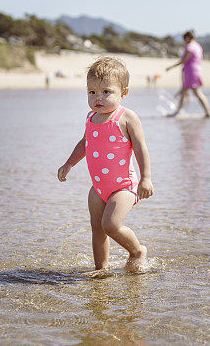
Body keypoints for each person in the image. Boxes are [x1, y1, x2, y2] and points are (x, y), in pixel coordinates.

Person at [57, 56, 154, 273]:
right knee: (97, 228)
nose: (98, 98)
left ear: (124, 92)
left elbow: (141, 148)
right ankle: (101, 269)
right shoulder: (91, 117)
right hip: (99, 187)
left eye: (106, 92)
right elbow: (85, 144)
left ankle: (137, 251)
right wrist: (69, 163)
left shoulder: (126, 117)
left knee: (110, 225)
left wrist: (146, 178)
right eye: (92, 92)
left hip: (124, 186)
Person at [166, 30, 210, 118]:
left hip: (190, 71)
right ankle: (178, 112)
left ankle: (207, 112)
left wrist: (171, 67)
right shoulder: (198, 46)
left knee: (194, 92)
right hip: (196, 70)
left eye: (184, 39)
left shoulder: (190, 47)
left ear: (187, 38)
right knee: (186, 92)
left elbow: (184, 60)